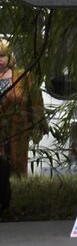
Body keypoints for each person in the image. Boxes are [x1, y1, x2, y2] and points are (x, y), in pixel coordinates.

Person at [0, 38, 46, 216]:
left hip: (17, 128)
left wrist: (38, 122)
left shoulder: (23, 76)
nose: (0, 60)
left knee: (16, 164)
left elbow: (36, 101)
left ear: (9, 57)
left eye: (3, 55)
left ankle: (17, 198)